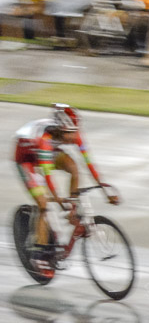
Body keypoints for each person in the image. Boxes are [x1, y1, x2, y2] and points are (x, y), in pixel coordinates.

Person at [13, 104, 120, 278]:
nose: (72, 138)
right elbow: (48, 178)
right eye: (68, 134)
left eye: (74, 132)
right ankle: (38, 253)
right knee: (43, 204)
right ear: (58, 130)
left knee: (74, 167)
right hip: (26, 157)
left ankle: (72, 212)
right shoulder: (45, 140)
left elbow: (89, 163)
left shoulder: (74, 133)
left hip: (47, 152)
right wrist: (56, 199)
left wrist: (103, 188)